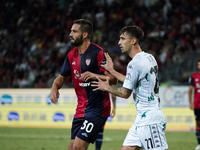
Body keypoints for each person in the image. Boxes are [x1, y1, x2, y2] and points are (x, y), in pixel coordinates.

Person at [91, 25, 168, 150]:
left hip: (150, 120)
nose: (119, 42)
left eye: (122, 39)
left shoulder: (134, 63)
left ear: (133, 41)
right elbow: (131, 81)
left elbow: (125, 93)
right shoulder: (149, 57)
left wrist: (106, 87)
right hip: (142, 119)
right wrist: (112, 70)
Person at [50, 19, 117, 150]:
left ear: (84, 34)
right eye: (71, 31)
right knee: (72, 148)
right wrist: (54, 87)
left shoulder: (98, 53)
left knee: (78, 147)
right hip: (80, 110)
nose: (70, 34)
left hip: (97, 109)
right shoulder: (71, 55)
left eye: (74, 31)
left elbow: (113, 79)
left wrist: (95, 75)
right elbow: (61, 78)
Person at [188, 57, 200, 150]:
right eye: (198, 64)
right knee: (198, 123)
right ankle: (199, 144)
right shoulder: (194, 76)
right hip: (197, 104)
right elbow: (190, 90)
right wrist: (191, 102)